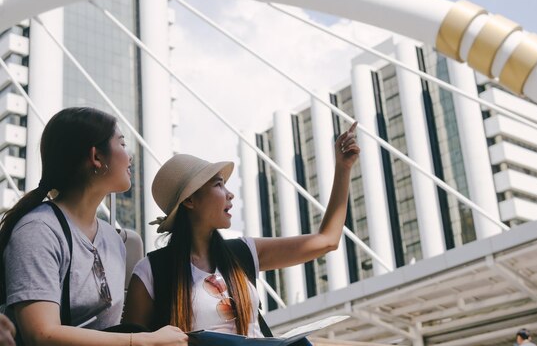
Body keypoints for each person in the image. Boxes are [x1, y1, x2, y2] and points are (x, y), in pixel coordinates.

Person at [123, 121, 360, 335]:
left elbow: (327, 240)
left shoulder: (243, 253)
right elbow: (135, 341)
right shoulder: (150, 272)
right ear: (190, 201)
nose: (230, 194)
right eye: (218, 185)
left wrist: (343, 168)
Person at [0, 107, 187, 346]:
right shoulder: (38, 230)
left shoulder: (112, 238)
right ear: (96, 157)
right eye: (121, 143)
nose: (130, 156)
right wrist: (140, 341)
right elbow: (41, 334)